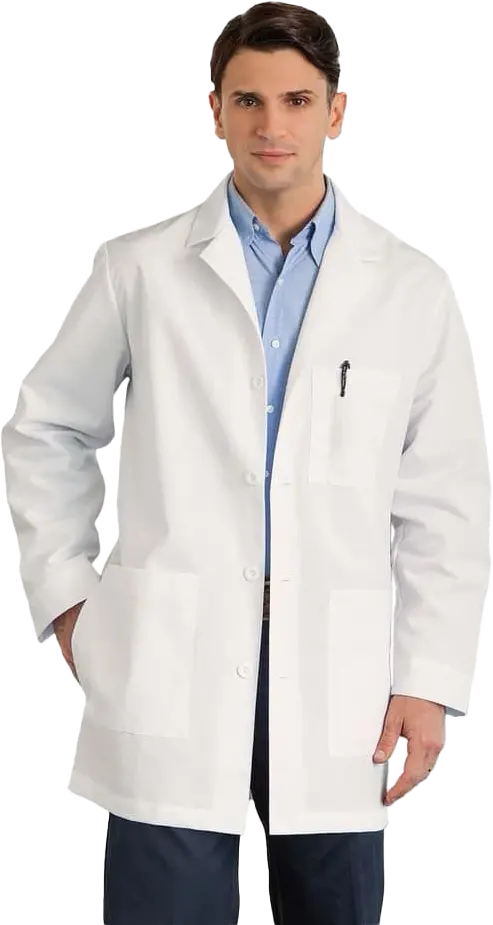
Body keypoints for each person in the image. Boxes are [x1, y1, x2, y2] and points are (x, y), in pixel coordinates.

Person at [1, 3, 489, 923]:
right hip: (171, 656)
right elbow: (47, 428)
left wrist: (428, 676)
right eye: (248, 101)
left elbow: (446, 500)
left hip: (339, 674)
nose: (272, 126)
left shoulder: (410, 289)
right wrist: (66, 593)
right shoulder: (141, 269)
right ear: (214, 111)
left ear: (336, 110)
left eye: (297, 100)